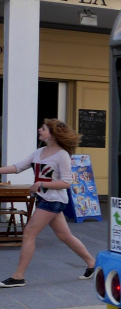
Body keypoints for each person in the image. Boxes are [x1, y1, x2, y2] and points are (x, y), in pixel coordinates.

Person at [0, 119, 97, 287]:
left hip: (53, 201)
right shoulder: (39, 152)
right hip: (45, 199)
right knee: (64, 236)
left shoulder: (62, 156)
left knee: (29, 232)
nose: (39, 129)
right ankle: (92, 263)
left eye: (43, 128)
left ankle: (18, 277)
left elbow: (67, 183)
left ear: (52, 134)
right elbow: (17, 167)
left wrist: (41, 184)